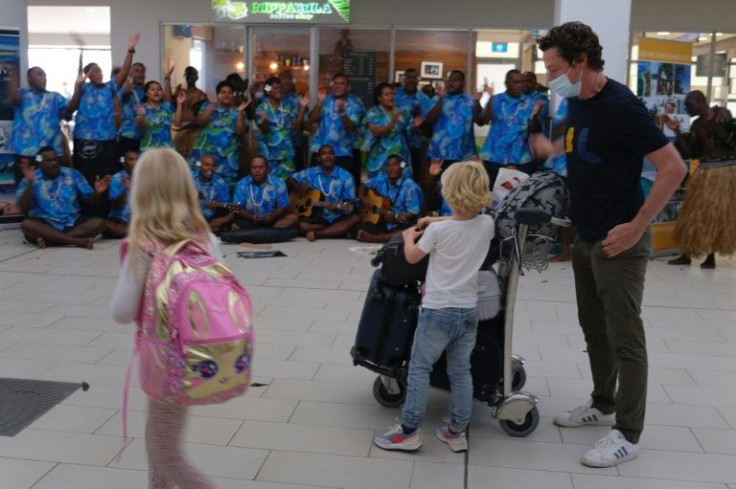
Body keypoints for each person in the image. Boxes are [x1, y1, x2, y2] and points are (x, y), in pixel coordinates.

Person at [533, 22, 687, 468]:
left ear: (580, 63)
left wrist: (639, 226)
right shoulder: (580, 101)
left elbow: (673, 167)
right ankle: (603, 402)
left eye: (555, 67)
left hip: (620, 241)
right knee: (593, 329)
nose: (550, 77)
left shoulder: (622, 107)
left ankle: (628, 433)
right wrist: (548, 148)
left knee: (625, 337)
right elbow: (579, 145)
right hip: (586, 234)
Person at [109, 147, 219, 489]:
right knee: (156, 437)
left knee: (164, 453)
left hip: (164, 363)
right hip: (201, 355)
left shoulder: (143, 246)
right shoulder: (208, 240)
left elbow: (121, 313)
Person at [373, 160, 494, 453]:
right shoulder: (486, 224)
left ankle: (408, 431)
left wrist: (406, 236)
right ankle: (456, 430)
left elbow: (413, 257)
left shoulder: (438, 234)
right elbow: (463, 222)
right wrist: (435, 219)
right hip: (467, 312)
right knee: (460, 370)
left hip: (438, 311)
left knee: (419, 369)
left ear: (451, 194)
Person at [666, 90, 734, 269]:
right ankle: (686, 254)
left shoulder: (722, 114)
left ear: (699, 102)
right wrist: (677, 131)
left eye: (689, 105)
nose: (687, 110)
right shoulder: (696, 125)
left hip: (724, 171)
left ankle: (710, 258)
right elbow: (691, 153)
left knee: (714, 215)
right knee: (691, 213)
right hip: (704, 172)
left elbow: (730, 141)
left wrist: (713, 122)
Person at [66, 33, 140, 189]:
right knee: (85, 177)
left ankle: (106, 210)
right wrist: (77, 85)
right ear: (87, 75)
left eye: (99, 70)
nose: (99, 74)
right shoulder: (83, 88)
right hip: (85, 141)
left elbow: (125, 71)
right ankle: (86, 210)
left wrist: (130, 50)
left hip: (107, 141)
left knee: (108, 176)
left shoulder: (110, 87)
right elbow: (71, 107)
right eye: (94, 71)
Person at [16, 147, 109, 249]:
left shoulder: (72, 174)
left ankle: (52, 240)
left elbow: (90, 201)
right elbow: (23, 208)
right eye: (49, 161)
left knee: (100, 223)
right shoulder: (31, 178)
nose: (54, 163)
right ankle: (76, 241)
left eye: (55, 159)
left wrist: (97, 192)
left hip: (72, 223)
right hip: (45, 224)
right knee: (27, 224)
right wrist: (30, 184)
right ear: (40, 163)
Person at [3, 64, 69, 185]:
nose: (44, 78)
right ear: (30, 79)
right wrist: (13, 72)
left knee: (49, 187)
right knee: (25, 187)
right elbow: (13, 97)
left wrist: (78, 86)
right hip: (25, 153)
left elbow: (70, 108)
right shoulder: (23, 94)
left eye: (45, 75)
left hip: (50, 154)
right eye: (39, 74)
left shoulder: (54, 97)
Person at [287, 144, 360, 242]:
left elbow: (349, 206)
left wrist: (340, 207)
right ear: (318, 158)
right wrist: (298, 186)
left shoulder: (346, 176)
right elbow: (289, 179)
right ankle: (335, 231)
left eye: (331, 153)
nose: (328, 156)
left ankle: (318, 234)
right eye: (324, 154)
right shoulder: (310, 173)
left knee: (355, 218)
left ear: (335, 157)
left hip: (337, 216)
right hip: (316, 217)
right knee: (301, 224)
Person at [478, 69, 539, 183]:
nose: (520, 85)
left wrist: (535, 117)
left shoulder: (530, 102)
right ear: (506, 84)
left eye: (522, 82)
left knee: (519, 195)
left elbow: (534, 131)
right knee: (493, 194)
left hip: (520, 157)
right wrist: (490, 99)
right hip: (494, 156)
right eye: (516, 82)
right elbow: (483, 121)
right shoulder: (496, 99)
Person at [188, 81, 250, 185]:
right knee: (198, 189)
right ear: (218, 95)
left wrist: (239, 112)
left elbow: (240, 132)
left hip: (227, 161)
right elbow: (200, 122)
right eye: (223, 92)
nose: (227, 95)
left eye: (230, 92)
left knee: (225, 193)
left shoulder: (239, 112)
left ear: (233, 95)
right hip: (204, 157)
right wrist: (212, 105)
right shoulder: (207, 107)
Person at [308, 74, 365, 186]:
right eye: (335, 83)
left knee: (341, 187)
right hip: (320, 151)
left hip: (342, 153)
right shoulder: (326, 99)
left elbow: (352, 128)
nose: (338, 86)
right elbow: (312, 119)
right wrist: (319, 102)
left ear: (348, 87)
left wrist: (342, 113)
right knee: (317, 186)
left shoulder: (355, 103)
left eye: (342, 83)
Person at [353, 154, 422, 243]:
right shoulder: (381, 179)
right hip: (383, 224)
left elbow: (411, 215)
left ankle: (376, 238)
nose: (391, 169)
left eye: (395, 165)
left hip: (401, 224)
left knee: (414, 228)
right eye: (389, 166)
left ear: (401, 167)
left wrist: (395, 217)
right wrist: (363, 198)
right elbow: (364, 185)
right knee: (355, 226)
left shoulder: (411, 187)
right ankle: (386, 237)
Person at [363, 82, 421, 179]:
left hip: (401, 158)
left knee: (402, 184)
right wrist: (392, 123)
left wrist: (415, 126)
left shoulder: (402, 111)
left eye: (392, 94)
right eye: (387, 94)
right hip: (379, 160)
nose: (391, 97)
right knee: (379, 189)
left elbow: (409, 131)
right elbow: (375, 132)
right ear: (379, 98)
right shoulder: (372, 113)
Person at [255, 76, 309, 179]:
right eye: (275, 88)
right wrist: (265, 121)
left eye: (280, 88)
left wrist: (302, 107)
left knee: (287, 184)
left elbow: (296, 128)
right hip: (269, 154)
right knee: (270, 183)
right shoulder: (262, 107)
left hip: (287, 152)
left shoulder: (287, 106)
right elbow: (264, 129)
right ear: (269, 91)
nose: (279, 90)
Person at [425, 71, 477, 176]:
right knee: (438, 187)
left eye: (455, 80)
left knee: (461, 187)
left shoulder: (471, 101)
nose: (451, 83)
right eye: (449, 81)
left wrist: (478, 102)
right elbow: (430, 119)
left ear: (463, 83)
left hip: (464, 153)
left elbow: (480, 121)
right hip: (439, 154)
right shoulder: (437, 99)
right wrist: (441, 99)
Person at [230, 155, 298, 230]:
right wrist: (251, 217)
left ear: (267, 169)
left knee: (293, 218)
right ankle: (269, 233)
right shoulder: (242, 184)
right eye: (254, 168)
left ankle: (259, 233)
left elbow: (283, 206)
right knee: (234, 226)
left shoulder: (279, 183)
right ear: (250, 169)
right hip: (250, 220)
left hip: (273, 221)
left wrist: (272, 217)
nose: (257, 170)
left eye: (261, 167)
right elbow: (237, 208)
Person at [395, 68, 434, 181]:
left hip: (417, 144)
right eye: (408, 78)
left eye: (414, 78)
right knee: (399, 169)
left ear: (418, 80)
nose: (411, 81)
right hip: (398, 143)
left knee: (417, 172)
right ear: (404, 79)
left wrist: (419, 122)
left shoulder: (424, 99)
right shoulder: (396, 96)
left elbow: (430, 124)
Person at [135, 81, 185, 150]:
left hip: (167, 149)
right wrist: (141, 116)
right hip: (148, 151)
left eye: (159, 89)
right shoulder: (141, 107)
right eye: (153, 89)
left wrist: (179, 104)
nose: (156, 91)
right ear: (146, 93)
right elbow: (139, 126)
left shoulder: (167, 106)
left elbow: (177, 123)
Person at [172, 66, 207, 159]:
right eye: (188, 75)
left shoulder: (201, 95)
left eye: (193, 75)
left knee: (192, 156)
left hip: (194, 130)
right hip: (180, 128)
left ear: (197, 77)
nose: (190, 78)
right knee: (178, 157)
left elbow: (202, 115)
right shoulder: (180, 92)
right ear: (185, 77)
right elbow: (170, 104)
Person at [194, 154, 234, 234]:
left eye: (213, 165)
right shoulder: (190, 178)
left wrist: (216, 208)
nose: (210, 168)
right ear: (200, 166)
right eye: (207, 165)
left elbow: (226, 206)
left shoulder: (220, 183)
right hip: (193, 218)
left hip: (211, 220)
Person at [105, 149, 139, 238]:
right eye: (131, 159)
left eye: (137, 159)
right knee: (103, 224)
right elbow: (116, 205)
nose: (135, 162)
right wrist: (127, 189)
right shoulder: (116, 179)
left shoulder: (145, 177)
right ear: (124, 163)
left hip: (140, 221)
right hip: (120, 222)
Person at [117, 62, 147, 154]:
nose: (141, 74)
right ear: (130, 74)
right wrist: (125, 91)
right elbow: (114, 104)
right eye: (137, 71)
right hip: (127, 136)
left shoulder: (145, 91)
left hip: (144, 136)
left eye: (142, 71)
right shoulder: (122, 89)